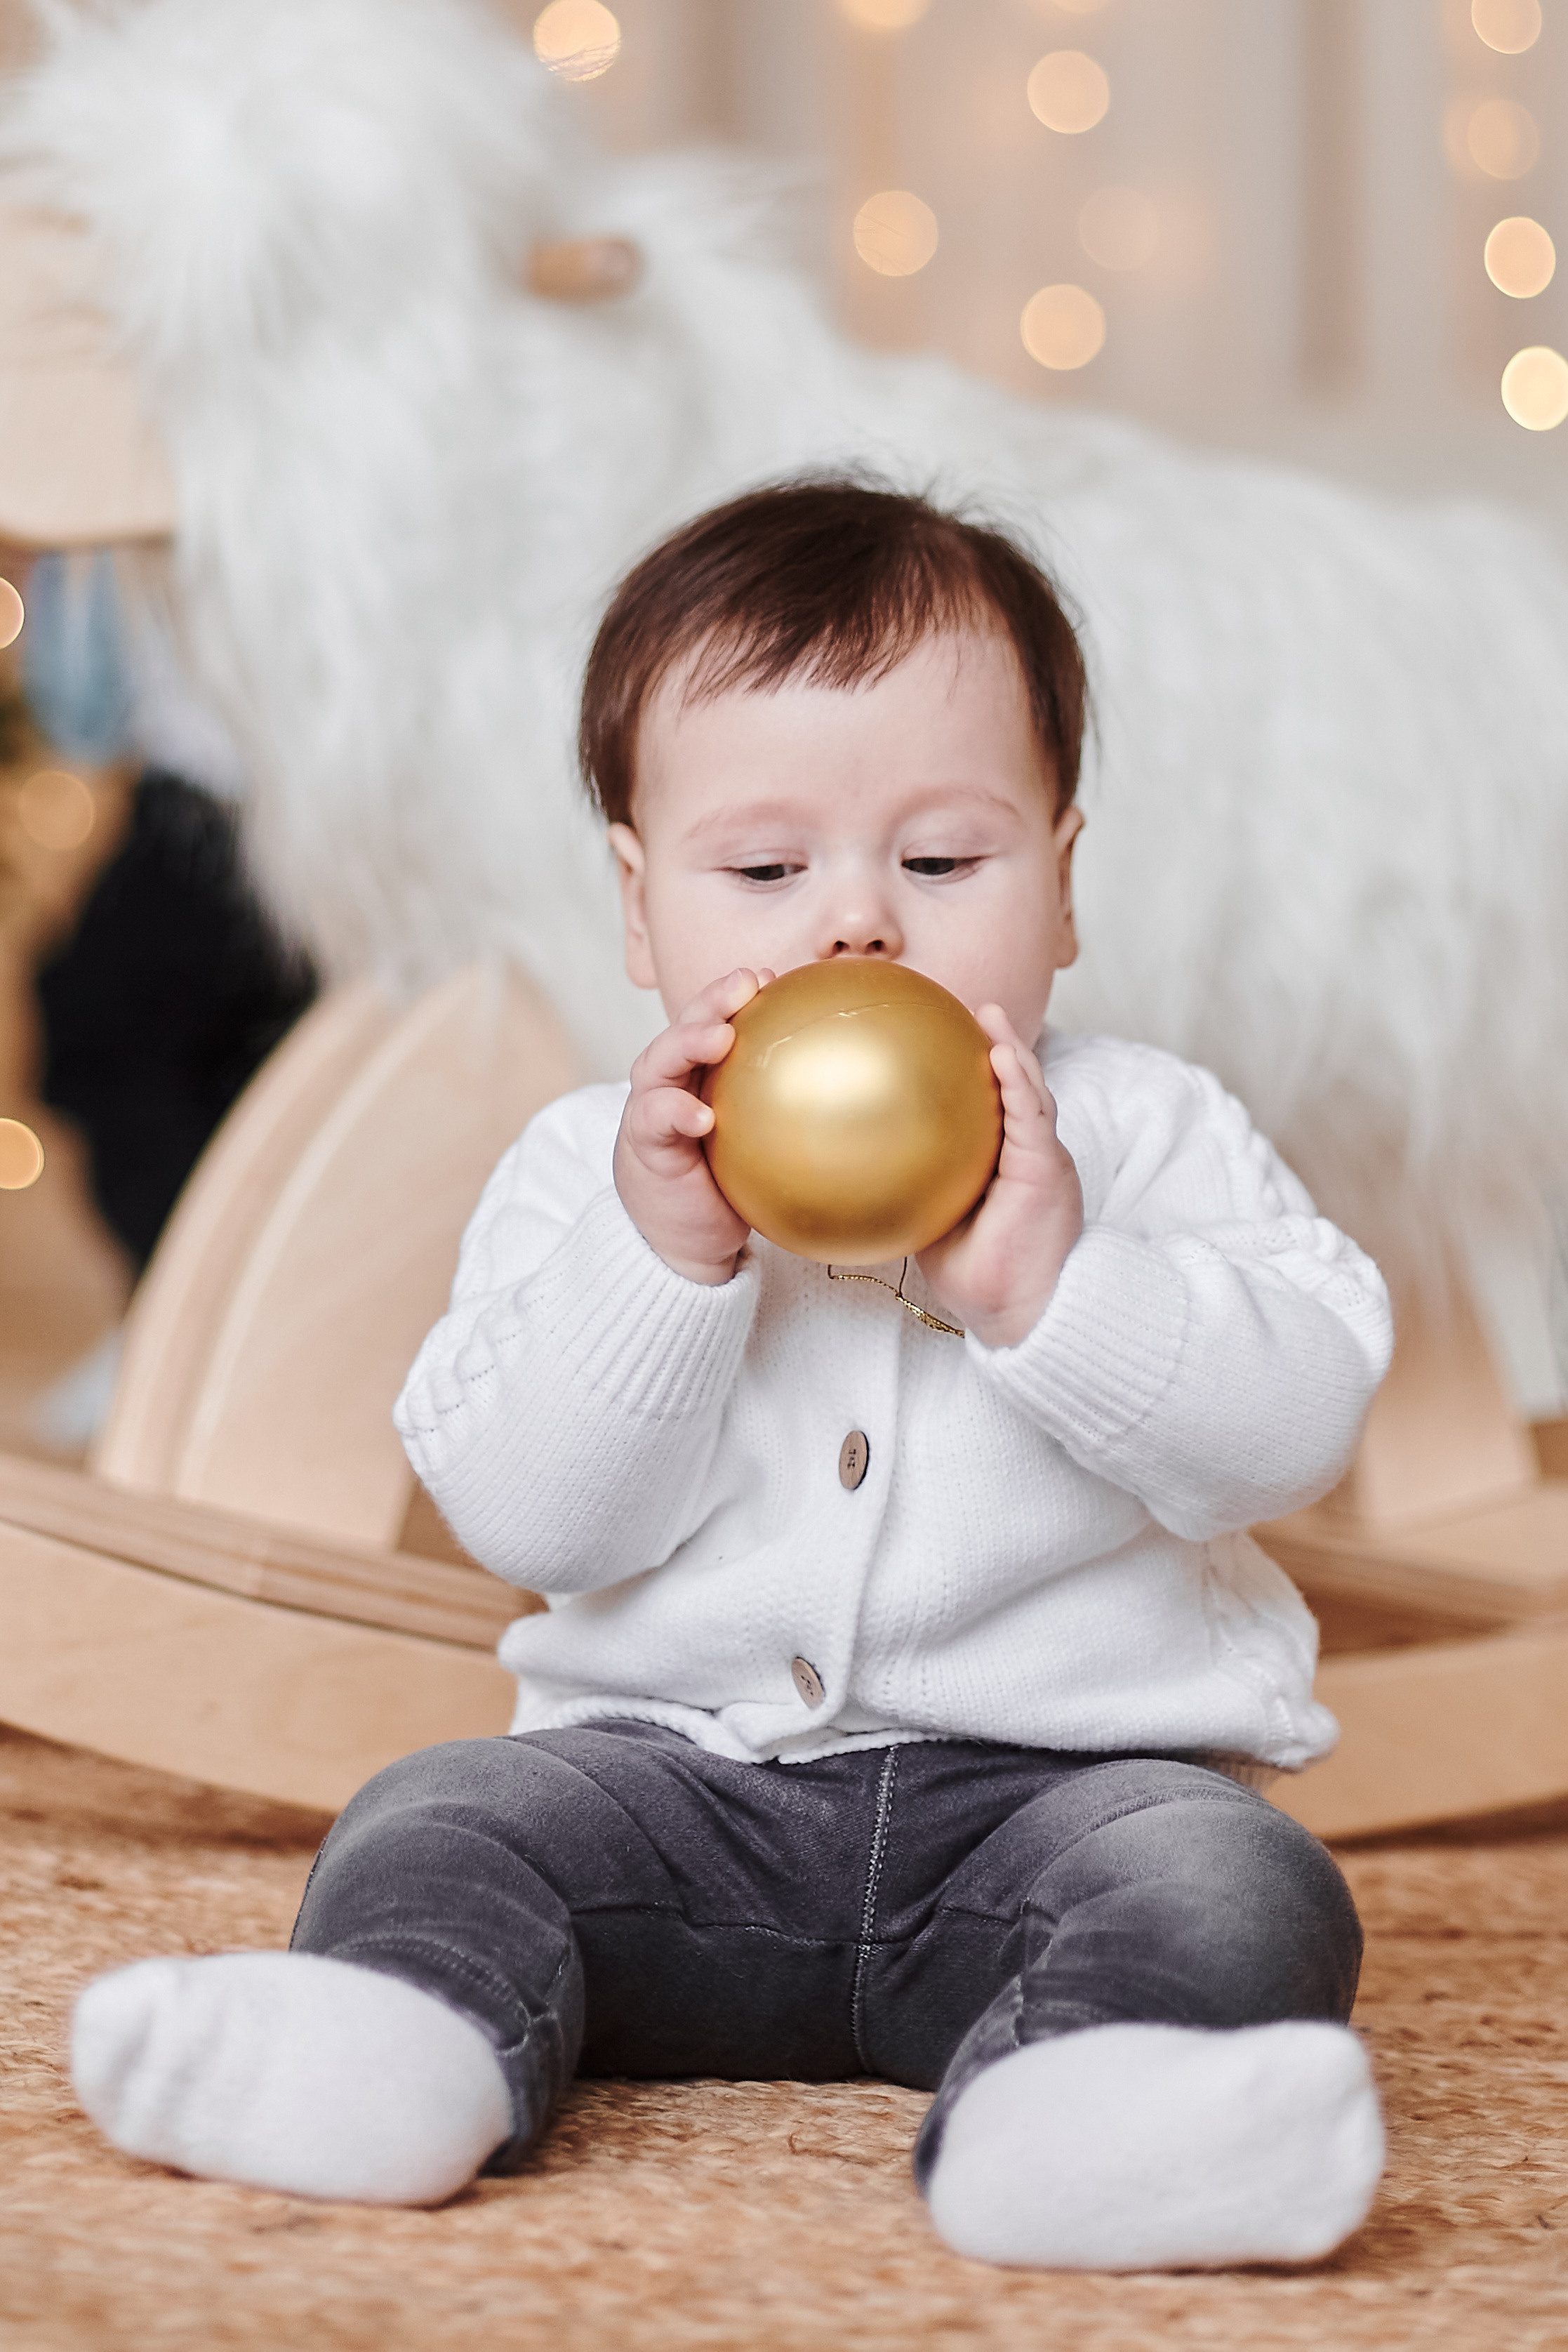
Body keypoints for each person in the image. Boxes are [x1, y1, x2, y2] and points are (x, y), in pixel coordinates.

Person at [69, 481, 1393, 2272]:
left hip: (1059, 1801)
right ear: (640, 905)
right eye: (764, 871)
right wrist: (662, 1263)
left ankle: (1084, 2108)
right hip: (666, 1800)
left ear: (1063, 880)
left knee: (1237, 1883)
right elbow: (526, 1513)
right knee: (439, 1814)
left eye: (942, 862)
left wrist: (1056, 1288)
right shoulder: (582, 1170)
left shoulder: (1147, 1134)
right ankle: (411, 2042)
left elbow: (1293, 1427)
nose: (855, 927)